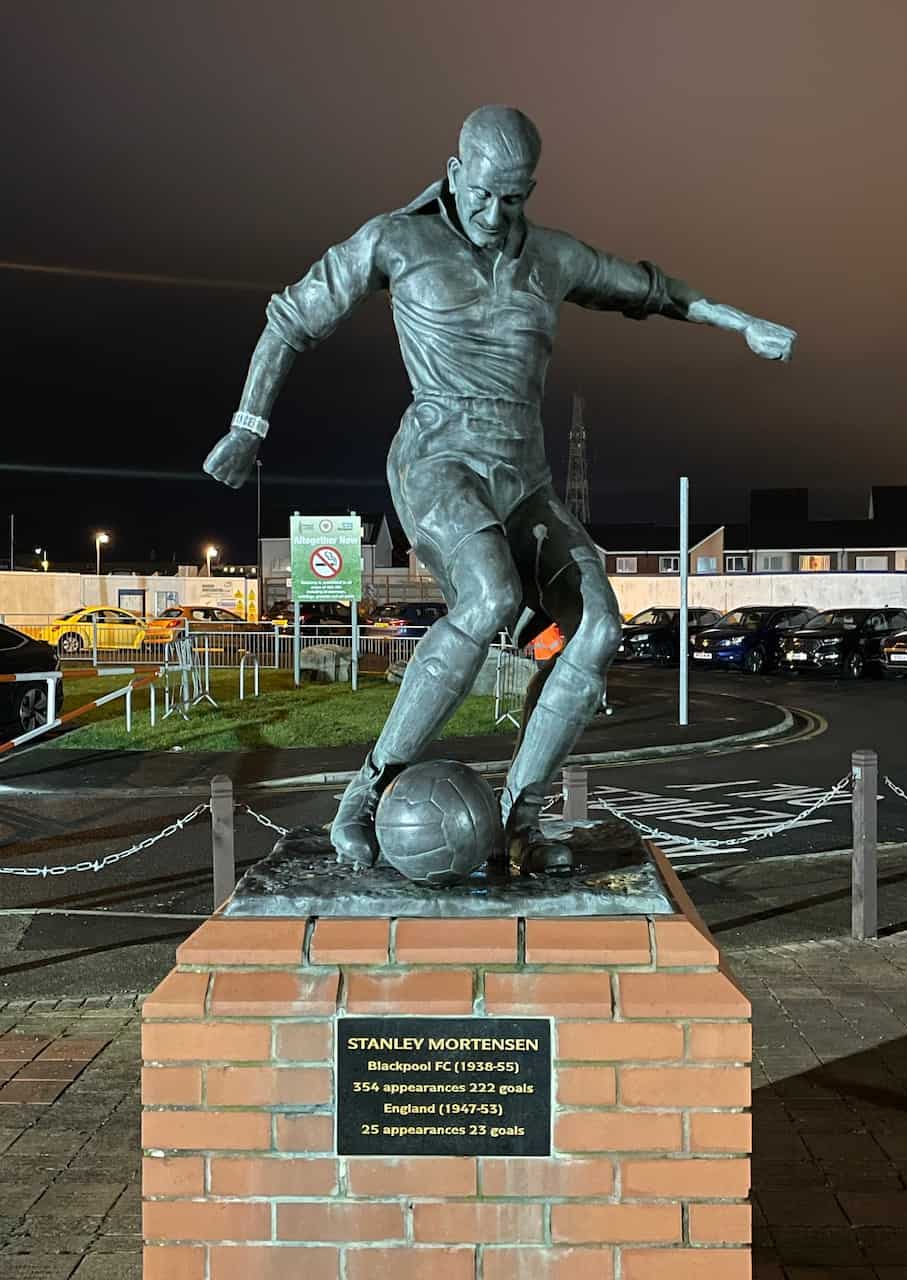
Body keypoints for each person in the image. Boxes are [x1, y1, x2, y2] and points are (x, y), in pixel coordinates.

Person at [203, 105, 796, 874]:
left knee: (598, 628)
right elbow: (290, 319)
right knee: (486, 597)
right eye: (481, 193)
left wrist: (740, 321)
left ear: (530, 191)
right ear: (454, 174)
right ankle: (364, 794)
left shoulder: (552, 257)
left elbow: (648, 290)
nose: (492, 213)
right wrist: (249, 427)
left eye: (511, 198)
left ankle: (520, 818)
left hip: (524, 477)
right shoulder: (397, 239)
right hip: (436, 461)